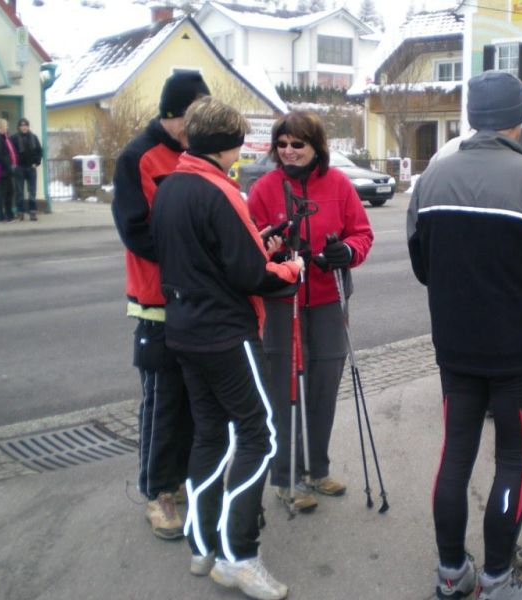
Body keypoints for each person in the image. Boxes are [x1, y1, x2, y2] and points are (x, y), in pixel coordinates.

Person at [407, 70, 522, 600]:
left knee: (455, 453)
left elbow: (424, 265)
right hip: (518, 349)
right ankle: (496, 580)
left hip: (456, 345)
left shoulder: (431, 181)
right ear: (518, 117)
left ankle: (451, 574)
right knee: (515, 458)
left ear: (471, 115)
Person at [151, 96, 302, 600]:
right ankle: (241, 554)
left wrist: (258, 243)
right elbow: (250, 274)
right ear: (228, 144)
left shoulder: (172, 186)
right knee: (260, 437)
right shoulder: (219, 191)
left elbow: (203, 254)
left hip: (185, 328)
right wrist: (289, 269)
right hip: (225, 333)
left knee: (210, 436)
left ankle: (203, 544)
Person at [247, 111, 373, 513]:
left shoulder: (338, 185)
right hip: (284, 303)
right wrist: (278, 247)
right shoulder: (266, 188)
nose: (288, 151)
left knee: (323, 388)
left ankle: (317, 468)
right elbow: (252, 243)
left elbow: (362, 233)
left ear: (316, 147)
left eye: (297, 144)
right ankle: (285, 477)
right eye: (282, 144)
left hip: (328, 299)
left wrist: (347, 251)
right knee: (284, 390)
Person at [111, 71, 209, 539]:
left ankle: (184, 478)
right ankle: (158, 492)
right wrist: (195, 250)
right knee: (162, 400)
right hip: (157, 298)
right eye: (191, 120)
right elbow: (136, 231)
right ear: (172, 116)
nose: (197, 130)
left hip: (198, 298)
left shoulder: (197, 154)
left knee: (194, 400)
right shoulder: (137, 157)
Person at [11, 117, 43, 221]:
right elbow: (10, 153)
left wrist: (36, 163)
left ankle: (32, 213)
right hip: (19, 168)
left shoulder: (34, 137)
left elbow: (39, 151)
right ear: (19, 127)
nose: (24, 127)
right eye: (22, 125)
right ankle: (20, 213)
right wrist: (14, 164)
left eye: (26, 125)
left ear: (28, 126)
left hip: (31, 168)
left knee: (32, 192)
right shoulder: (14, 138)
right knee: (19, 192)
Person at [0, 118, 17, 223]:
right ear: (0, 126)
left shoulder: (4, 137)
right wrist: (8, 165)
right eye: (6, 125)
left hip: (7, 169)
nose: (7, 127)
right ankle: (1, 216)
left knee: (9, 192)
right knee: (1, 193)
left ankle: (9, 214)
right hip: (2, 170)